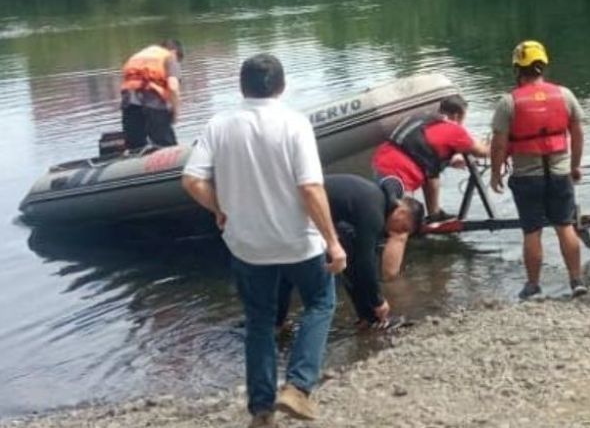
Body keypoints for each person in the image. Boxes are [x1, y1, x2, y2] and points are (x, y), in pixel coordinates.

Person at [182, 54, 347, 428]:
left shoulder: (219, 125)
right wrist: (333, 241)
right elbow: (310, 187)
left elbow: (191, 180)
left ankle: (261, 410)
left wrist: (219, 208)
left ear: (241, 87)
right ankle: (299, 387)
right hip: (297, 242)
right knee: (320, 302)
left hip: (246, 244)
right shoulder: (294, 123)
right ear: (282, 86)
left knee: (258, 321)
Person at [489, 40, 587, 300]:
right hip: (559, 174)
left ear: (517, 68)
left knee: (532, 230)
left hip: (526, 177)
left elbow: (499, 144)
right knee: (565, 225)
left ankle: (533, 285)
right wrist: (575, 165)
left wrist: (495, 173)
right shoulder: (564, 95)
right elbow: (577, 133)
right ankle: (576, 280)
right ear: (543, 65)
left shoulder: (508, 102)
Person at [276, 173, 425, 330]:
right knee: (295, 271)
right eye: (403, 228)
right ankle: (371, 315)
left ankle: (368, 317)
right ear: (401, 213)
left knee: (348, 253)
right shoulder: (374, 214)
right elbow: (366, 262)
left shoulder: (379, 198)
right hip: (299, 211)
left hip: (297, 206)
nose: (397, 233)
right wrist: (378, 300)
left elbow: (391, 182)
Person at [372, 96, 490, 223]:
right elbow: (482, 152)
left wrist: (450, 161)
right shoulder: (454, 129)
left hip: (382, 159)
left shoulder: (422, 118)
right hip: (399, 173)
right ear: (457, 116)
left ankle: (435, 214)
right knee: (401, 223)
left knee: (433, 171)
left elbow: (423, 148)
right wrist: (501, 144)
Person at [119, 39, 183, 150]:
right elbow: (173, 87)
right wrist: (175, 112)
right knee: (166, 146)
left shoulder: (137, 57)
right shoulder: (169, 57)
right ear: (174, 52)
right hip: (154, 104)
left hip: (129, 104)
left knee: (135, 148)